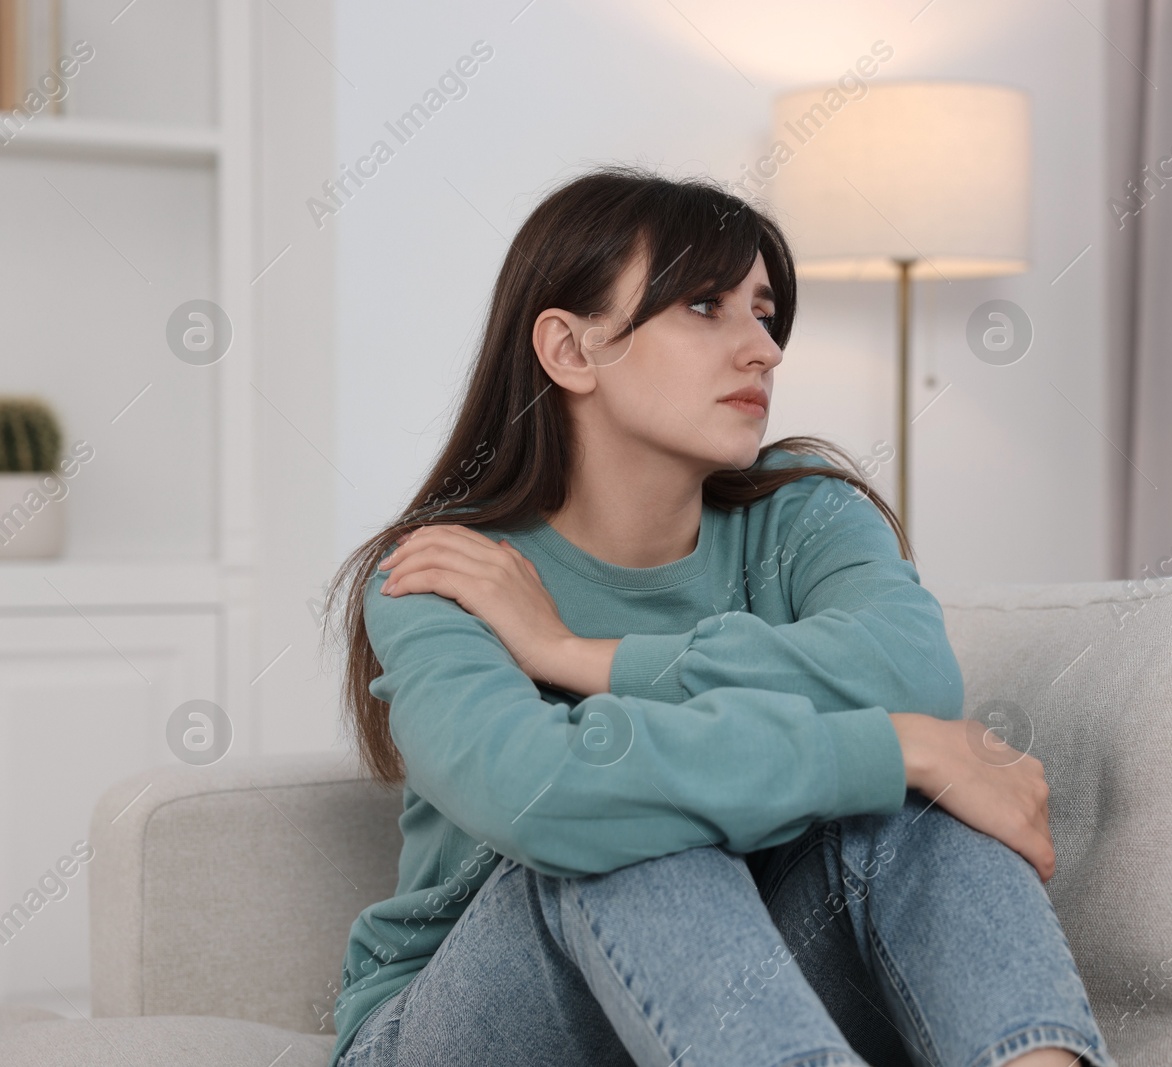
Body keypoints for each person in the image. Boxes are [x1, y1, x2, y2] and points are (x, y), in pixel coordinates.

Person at [323, 164, 1116, 1067]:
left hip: (733, 1006)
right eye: (706, 306)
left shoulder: (807, 513)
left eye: (764, 311)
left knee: (926, 808)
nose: (764, 349)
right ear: (571, 350)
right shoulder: (447, 571)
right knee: (631, 836)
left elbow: (911, 673)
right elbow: (542, 794)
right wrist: (899, 745)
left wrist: (577, 653)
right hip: (470, 1028)